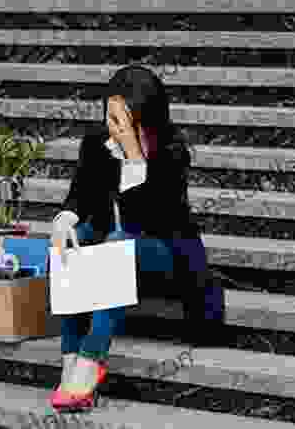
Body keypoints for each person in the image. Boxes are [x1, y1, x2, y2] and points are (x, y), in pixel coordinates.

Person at [50, 65, 225, 411]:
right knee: (71, 241)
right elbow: (79, 195)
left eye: (122, 119)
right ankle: (71, 361)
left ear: (147, 117)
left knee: (118, 244)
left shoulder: (171, 152)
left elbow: (148, 220)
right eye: (110, 115)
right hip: (112, 256)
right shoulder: (97, 142)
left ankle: (91, 359)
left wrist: (133, 157)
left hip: (162, 255)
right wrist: (64, 218)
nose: (112, 126)